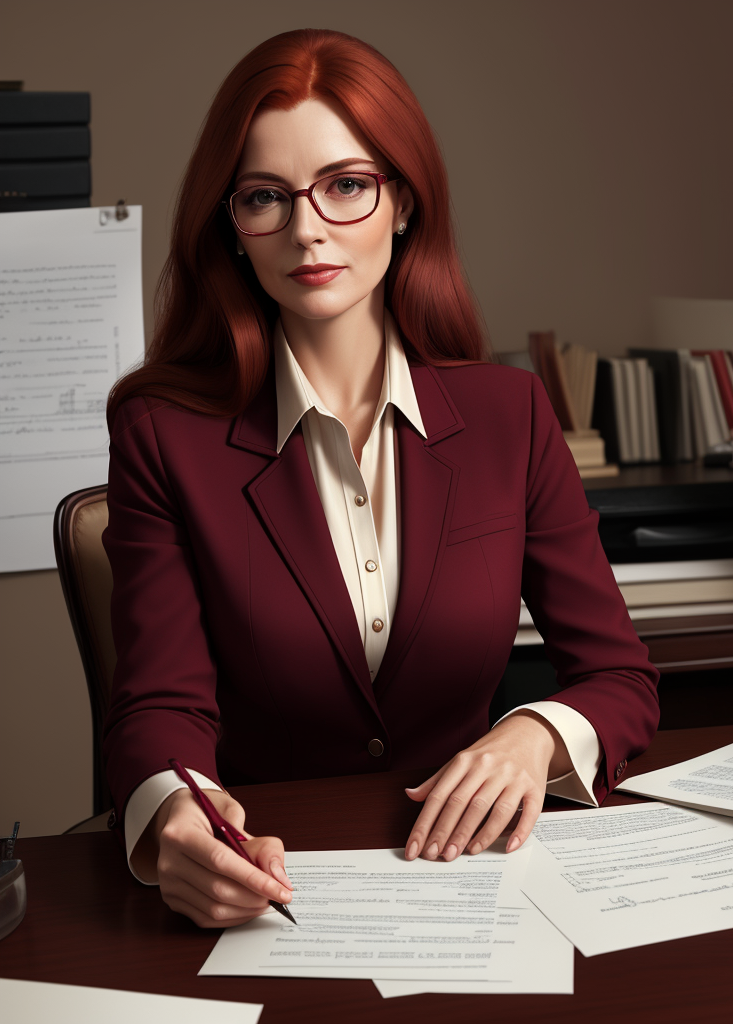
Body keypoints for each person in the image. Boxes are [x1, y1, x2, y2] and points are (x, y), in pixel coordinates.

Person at [102, 28, 659, 929]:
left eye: (346, 186)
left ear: (403, 201)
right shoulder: (164, 433)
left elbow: (620, 678)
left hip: (479, 882)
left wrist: (535, 732)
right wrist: (177, 819)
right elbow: (160, 701)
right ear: (231, 228)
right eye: (264, 198)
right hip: (277, 893)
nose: (307, 228)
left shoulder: (509, 415)